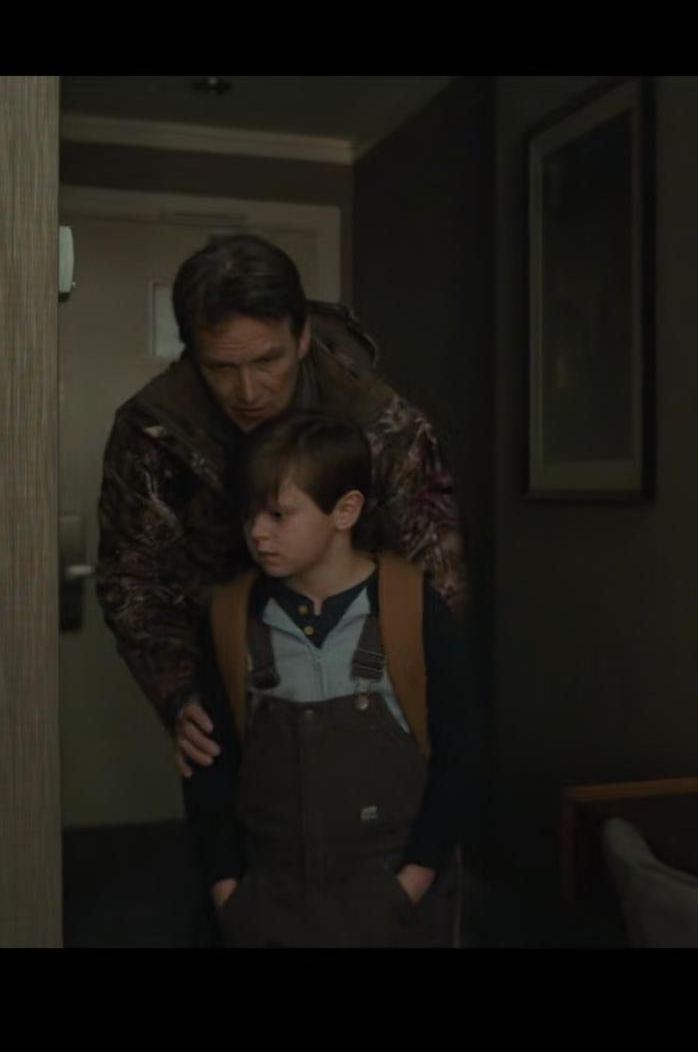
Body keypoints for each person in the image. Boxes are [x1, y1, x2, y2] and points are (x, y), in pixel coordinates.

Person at [94, 234, 468, 776]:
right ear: (192, 353)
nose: (249, 392)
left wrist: (409, 696)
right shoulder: (153, 431)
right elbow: (132, 579)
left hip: (370, 683)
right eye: (222, 367)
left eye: (268, 360)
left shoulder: (383, 426)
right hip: (226, 683)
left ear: (303, 336)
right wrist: (181, 694)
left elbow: (435, 580)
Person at [182, 411, 484, 947]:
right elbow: (210, 768)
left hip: (394, 907)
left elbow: (460, 758)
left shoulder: (413, 610)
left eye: (279, 514)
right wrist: (229, 891)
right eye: (249, 514)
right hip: (270, 909)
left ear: (345, 511)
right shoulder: (230, 619)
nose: (257, 532)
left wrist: (412, 883)